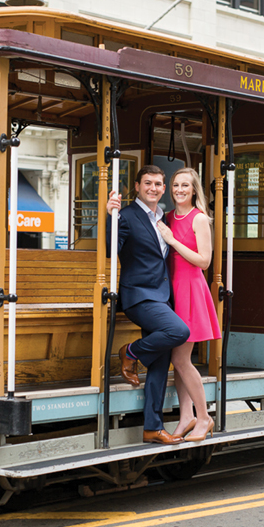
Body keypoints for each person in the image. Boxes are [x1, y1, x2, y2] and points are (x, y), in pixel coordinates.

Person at [107, 165, 190, 446]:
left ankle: (152, 428)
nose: (153, 188)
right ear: (137, 186)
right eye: (147, 183)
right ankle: (129, 352)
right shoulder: (126, 216)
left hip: (162, 296)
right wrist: (111, 217)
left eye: (158, 184)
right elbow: (110, 250)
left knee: (161, 361)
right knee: (179, 331)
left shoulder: (163, 218)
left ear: (163, 189)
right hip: (138, 296)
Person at [157, 168, 220, 443]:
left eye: (185, 185)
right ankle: (186, 416)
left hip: (191, 289)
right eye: (175, 185)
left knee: (180, 359)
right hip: (171, 290)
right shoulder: (167, 217)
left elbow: (204, 261)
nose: (179, 189)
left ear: (194, 191)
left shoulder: (200, 219)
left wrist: (172, 240)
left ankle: (203, 417)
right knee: (177, 360)